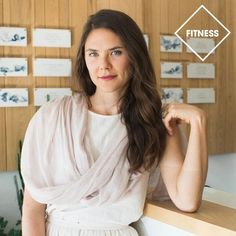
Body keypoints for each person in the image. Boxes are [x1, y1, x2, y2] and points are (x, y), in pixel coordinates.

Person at [21, 9, 208, 236]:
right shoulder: (53, 117)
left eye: (116, 52)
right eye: (93, 54)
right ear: (84, 59)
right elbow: (32, 208)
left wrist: (198, 124)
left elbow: (187, 200)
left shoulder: (154, 123)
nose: (104, 64)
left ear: (135, 56)